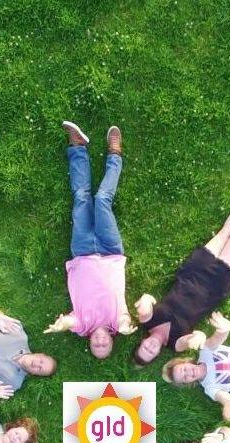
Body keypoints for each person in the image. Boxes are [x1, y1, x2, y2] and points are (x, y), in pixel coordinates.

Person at [132, 167, 230, 365]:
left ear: (143, 342)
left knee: (225, 232)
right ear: (157, 355)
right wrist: (197, 338)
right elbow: (191, 340)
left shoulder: (147, 322)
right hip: (212, 289)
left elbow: (145, 305)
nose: (149, 349)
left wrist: (145, 301)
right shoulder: (175, 345)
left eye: (143, 349)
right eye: (150, 354)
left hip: (192, 273)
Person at [43, 122, 137, 358]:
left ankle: (78, 147)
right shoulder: (117, 322)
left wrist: (61, 325)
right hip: (110, 250)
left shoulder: (81, 326)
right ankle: (115, 154)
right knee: (103, 199)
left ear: (90, 342)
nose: (101, 341)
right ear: (112, 341)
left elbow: (69, 321)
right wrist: (125, 326)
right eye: (105, 345)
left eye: (96, 346)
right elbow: (125, 318)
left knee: (82, 198)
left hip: (82, 251)